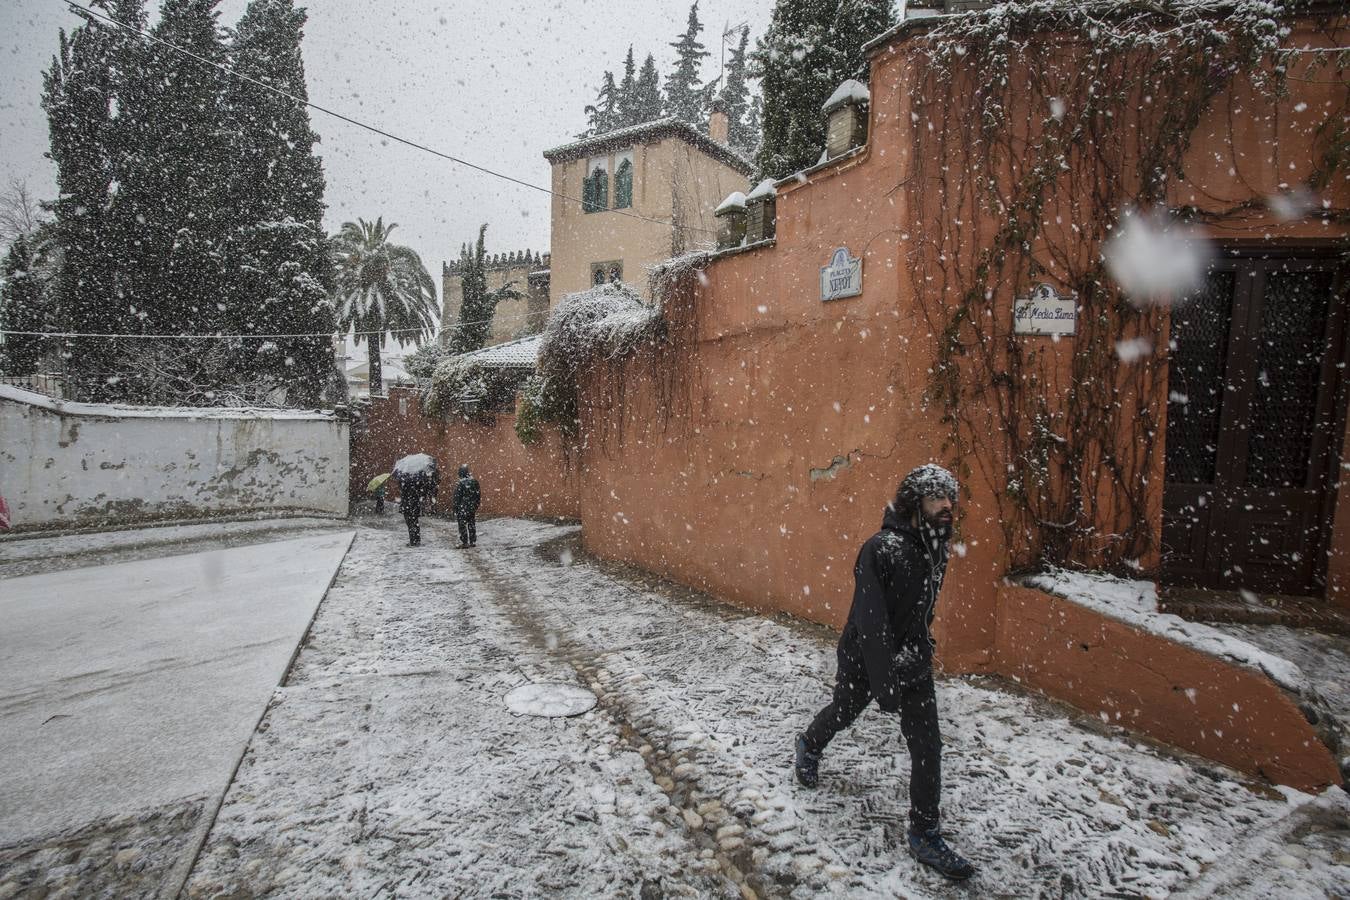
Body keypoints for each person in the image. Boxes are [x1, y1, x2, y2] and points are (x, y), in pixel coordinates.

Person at [794, 463, 977, 881]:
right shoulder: (880, 548)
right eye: (937, 497)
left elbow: (920, 608)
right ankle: (809, 743)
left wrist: (919, 649)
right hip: (865, 658)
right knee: (843, 711)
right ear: (916, 502)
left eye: (950, 497)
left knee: (928, 746)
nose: (948, 505)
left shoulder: (937, 547)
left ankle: (924, 834)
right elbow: (870, 620)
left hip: (913, 660)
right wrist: (884, 680)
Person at [394, 455, 439, 548]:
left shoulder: (404, 479)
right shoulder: (419, 478)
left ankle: (413, 541)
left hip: (407, 504)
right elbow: (424, 489)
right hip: (415, 504)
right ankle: (416, 540)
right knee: (415, 522)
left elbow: (402, 489)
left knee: (410, 523)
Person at [452, 464, 482, 549]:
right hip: (471, 507)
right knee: (471, 524)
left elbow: (457, 497)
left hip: (462, 508)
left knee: (462, 525)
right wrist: (476, 505)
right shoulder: (474, 481)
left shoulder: (460, 483)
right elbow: (478, 495)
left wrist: (455, 507)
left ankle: (465, 542)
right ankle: (472, 541)